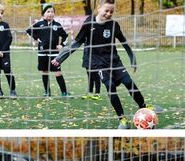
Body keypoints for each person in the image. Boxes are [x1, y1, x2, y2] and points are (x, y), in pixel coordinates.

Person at [52, 0, 162, 129]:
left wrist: (132, 58)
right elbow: (76, 43)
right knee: (110, 86)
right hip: (98, 64)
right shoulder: (89, 24)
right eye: (106, 10)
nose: (109, 14)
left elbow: (124, 42)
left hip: (114, 61)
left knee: (129, 83)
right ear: (99, 8)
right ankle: (122, 120)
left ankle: (144, 107)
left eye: (111, 11)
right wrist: (60, 58)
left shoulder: (114, 25)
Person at [26, 3, 70, 97]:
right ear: (43, 13)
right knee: (45, 72)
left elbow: (65, 36)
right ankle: (47, 92)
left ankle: (64, 92)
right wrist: (37, 38)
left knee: (58, 73)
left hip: (54, 54)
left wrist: (61, 45)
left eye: (52, 12)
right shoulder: (39, 24)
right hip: (42, 53)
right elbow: (29, 31)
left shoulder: (57, 25)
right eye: (48, 11)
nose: (50, 14)